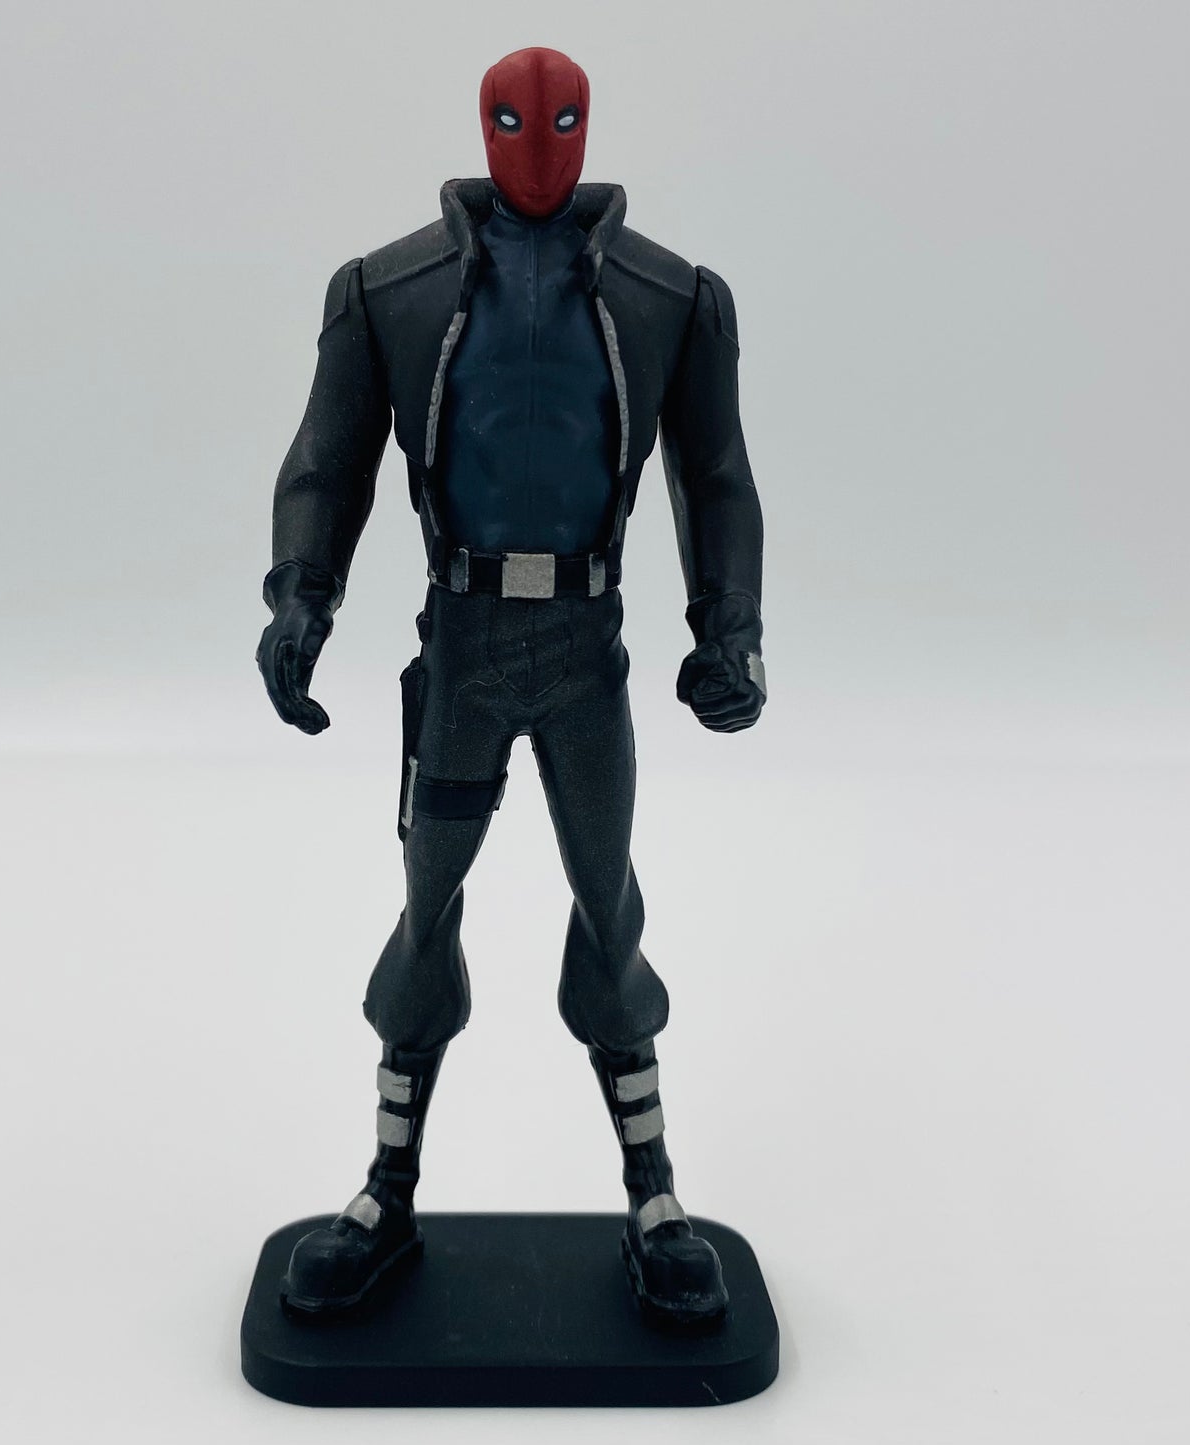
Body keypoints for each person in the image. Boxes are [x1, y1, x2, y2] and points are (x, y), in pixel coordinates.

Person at [257, 46, 765, 1327]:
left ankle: (653, 1194)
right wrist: (300, 591)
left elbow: (713, 477)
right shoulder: (388, 289)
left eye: (560, 120)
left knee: (608, 904)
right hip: (465, 646)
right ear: (478, 127)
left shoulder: (667, 294)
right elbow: (327, 459)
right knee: (425, 907)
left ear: (588, 127)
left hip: (587, 646)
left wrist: (731, 631)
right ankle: (385, 1191)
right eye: (510, 120)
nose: (536, 143)